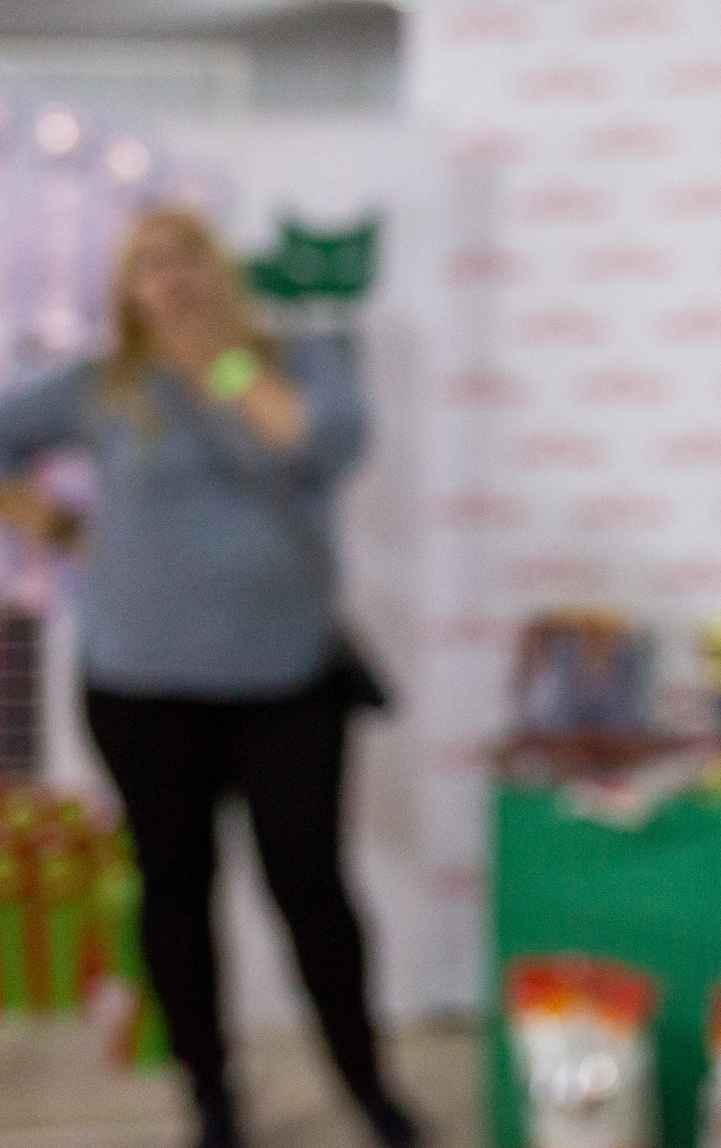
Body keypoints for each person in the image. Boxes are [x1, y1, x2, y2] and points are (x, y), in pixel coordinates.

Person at [0, 208, 415, 1148]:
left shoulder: (303, 362)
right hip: (141, 686)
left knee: (311, 888)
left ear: (220, 268)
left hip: (287, 682)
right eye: (148, 264)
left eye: (185, 256)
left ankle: (368, 1085)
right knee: (175, 890)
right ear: (124, 291)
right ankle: (212, 1096)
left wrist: (216, 359)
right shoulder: (98, 387)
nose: (171, 276)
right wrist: (60, 529)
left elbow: (316, 444)